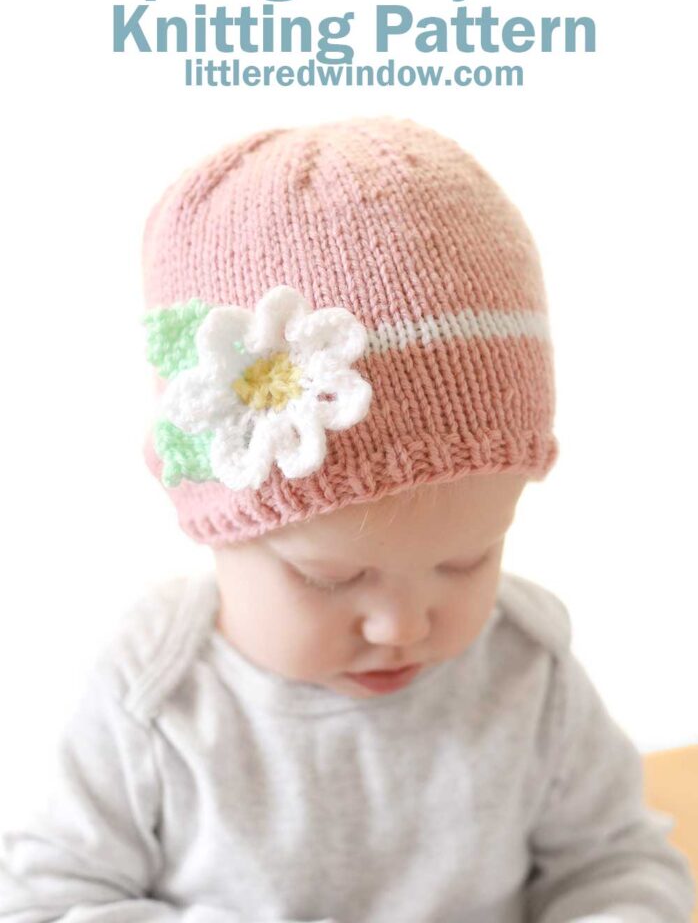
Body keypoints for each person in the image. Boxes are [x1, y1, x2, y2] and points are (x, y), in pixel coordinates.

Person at [0, 117, 693, 923]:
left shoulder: (526, 673)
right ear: (216, 524)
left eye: (468, 560)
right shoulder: (156, 692)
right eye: (331, 577)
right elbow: (48, 897)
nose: (402, 624)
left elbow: (615, 861)